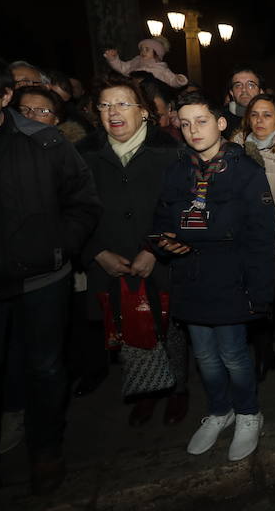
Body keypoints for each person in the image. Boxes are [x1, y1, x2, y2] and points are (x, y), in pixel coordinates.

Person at [152, 90, 275, 462]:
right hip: (190, 278)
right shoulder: (176, 170)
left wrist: (261, 293)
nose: (193, 130)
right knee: (204, 357)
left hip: (232, 279)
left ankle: (248, 413)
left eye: (202, 121)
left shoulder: (246, 172)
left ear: (221, 124)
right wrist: (164, 243)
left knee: (234, 355)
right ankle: (220, 411)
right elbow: (160, 220)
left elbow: (263, 237)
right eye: (185, 123)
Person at [0, 64, 101, 494]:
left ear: (4, 98)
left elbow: (83, 202)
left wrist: (59, 246)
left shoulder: (45, 142)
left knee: (45, 368)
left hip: (42, 280)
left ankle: (45, 451)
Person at [76, 76, 189, 426]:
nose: (113, 112)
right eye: (105, 105)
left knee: (170, 329)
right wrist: (98, 253)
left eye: (123, 104)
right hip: (110, 262)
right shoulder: (83, 153)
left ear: (143, 112)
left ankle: (178, 390)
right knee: (128, 330)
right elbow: (71, 211)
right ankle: (146, 391)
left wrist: (155, 250)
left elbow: (184, 206)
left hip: (160, 258)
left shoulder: (171, 150)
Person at [232, 94, 275, 387]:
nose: (260, 121)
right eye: (255, 115)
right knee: (257, 309)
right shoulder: (234, 153)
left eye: (267, 115)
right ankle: (263, 356)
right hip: (248, 250)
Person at [103, 37, 189, 89]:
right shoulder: (136, 61)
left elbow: (171, 80)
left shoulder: (161, 68)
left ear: (157, 54)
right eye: (141, 50)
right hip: (133, 92)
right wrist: (113, 59)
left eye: (147, 50)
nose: (143, 52)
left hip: (151, 96)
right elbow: (123, 67)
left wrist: (179, 80)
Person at [221, 67, 265, 138]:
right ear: (232, 93)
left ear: (261, 92)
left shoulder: (272, 118)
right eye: (238, 86)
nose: (244, 89)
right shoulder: (220, 119)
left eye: (250, 85)